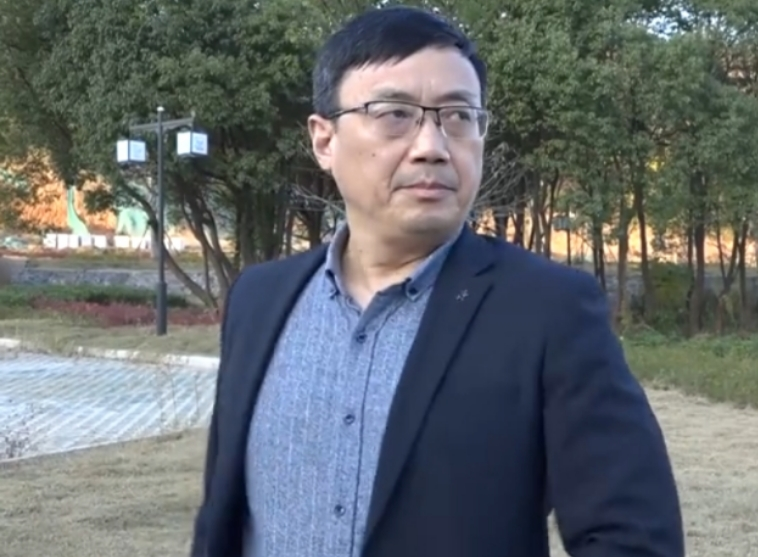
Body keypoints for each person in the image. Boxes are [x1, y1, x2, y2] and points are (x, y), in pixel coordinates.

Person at [189, 6, 683, 557]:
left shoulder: (547, 311)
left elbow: (634, 538)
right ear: (324, 141)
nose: (432, 145)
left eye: (458, 116)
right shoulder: (260, 300)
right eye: (394, 114)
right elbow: (221, 519)